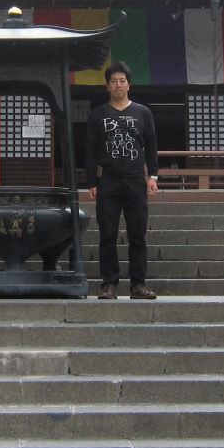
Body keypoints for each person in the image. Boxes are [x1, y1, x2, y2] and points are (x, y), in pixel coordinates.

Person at [85, 60, 159, 300]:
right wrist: (91, 182)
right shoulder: (98, 115)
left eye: (122, 81)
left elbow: (151, 146)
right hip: (109, 181)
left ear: (129, 85)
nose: (118, 85)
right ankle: (109, 284)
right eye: (113, 81)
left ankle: (138, 284)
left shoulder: (142, 113)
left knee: (138, 234)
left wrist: (153, 176)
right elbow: (90, 150)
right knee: (107, 234)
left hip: (136, 180)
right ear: (107, 86)